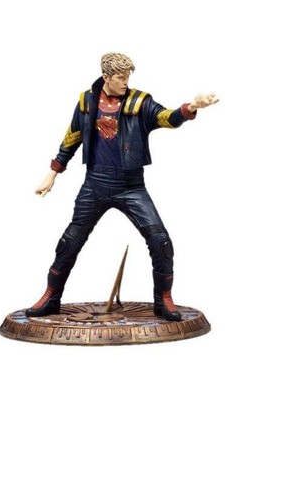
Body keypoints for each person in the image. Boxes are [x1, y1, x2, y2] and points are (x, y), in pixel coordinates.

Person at [26, 52, 219, 321]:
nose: (126, 82)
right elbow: (72, 137)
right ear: (106, 77)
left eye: (128, 76)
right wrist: (53, 174)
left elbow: (166, 118)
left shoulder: (140, 102)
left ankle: (163, 300)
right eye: (120, 77)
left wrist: (191, 107)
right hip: (94, 184)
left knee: (161, 241)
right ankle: (50, 296)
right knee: (70, 242)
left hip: (131, 186)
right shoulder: (86, 101)